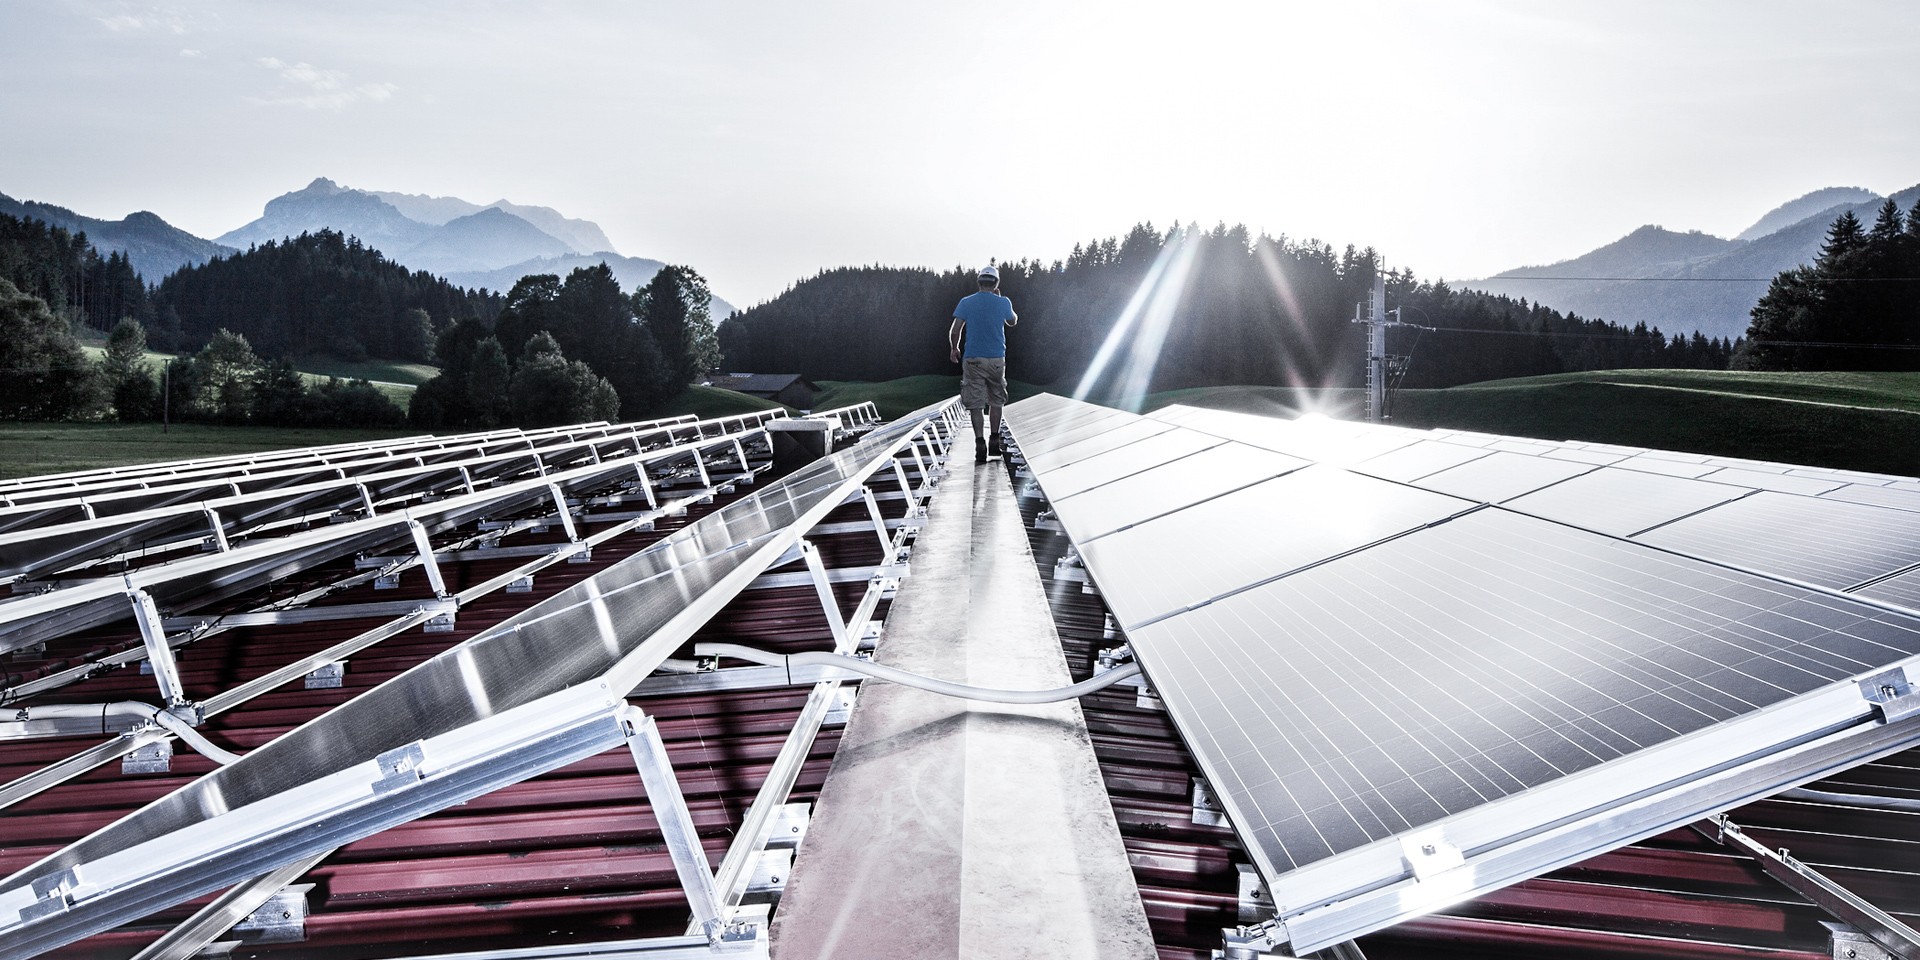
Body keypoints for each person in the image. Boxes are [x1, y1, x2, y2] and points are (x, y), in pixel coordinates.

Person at [948, 264, 1018, 463]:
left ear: (978, 282)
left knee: (976, 403)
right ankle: (994, 438)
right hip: (996, 359)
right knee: (997, 400)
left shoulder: (966, 302)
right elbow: (1012, 321)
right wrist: (1000, 299)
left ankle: (980, 442)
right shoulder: (1004, 302)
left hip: (973, 360)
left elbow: (955, 330)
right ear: (996, 283)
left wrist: (954, 348)